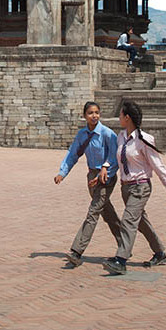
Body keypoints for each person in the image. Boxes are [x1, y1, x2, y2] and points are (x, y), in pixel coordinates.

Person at [105, 100, 166, 275]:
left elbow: (157, 164)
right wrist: (106, 168)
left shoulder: (144, 139)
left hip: (140, 187)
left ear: (127, 117)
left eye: (121, 115)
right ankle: (159, 253)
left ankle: (121, 260)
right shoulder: (121, 137)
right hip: (126, 188)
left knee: (129, 220)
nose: (119, 118)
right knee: (140, 222)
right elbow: (118, 160)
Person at [54, 101, 123, 267]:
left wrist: (105, 171)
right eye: (91, 113)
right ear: (84, 115)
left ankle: (77, 251)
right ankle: (125, 243)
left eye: (97, 112)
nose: (94, 116)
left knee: (93, 212)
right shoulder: (82, 135)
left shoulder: (107, 134)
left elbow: (115, 157)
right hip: (91, 176)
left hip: (106, 176)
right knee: (108, 213)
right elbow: (73, 154)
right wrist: (62, 173)